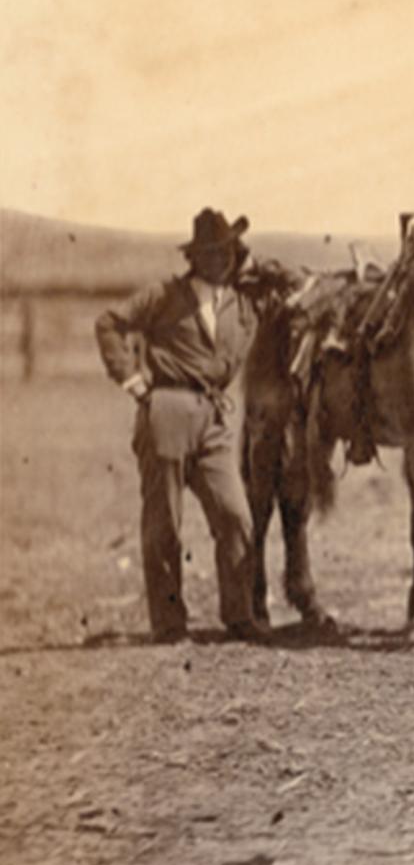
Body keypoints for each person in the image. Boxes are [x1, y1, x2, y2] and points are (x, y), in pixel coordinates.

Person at [94, 208, 269, 643]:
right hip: (166, 409)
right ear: (195, 257)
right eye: (211, 253)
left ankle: (239, 615)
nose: (220, 260)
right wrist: (132, 379)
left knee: (235, 515)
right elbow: (109, 323)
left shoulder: (243, 304)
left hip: (214, 418)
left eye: (226, 252)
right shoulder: (166, 295)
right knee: (164, 523)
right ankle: (170, 625)